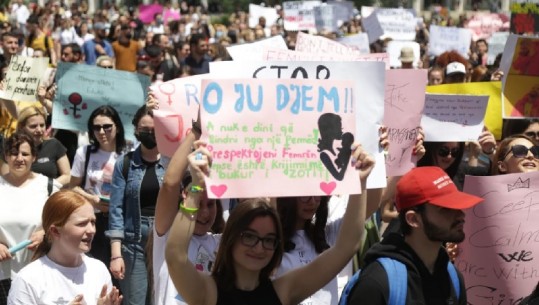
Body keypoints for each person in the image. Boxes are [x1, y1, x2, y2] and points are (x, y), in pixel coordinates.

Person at [165, 138, 374, 305]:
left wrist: (360, 182)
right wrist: (195, 187)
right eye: (250, 237)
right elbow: (175, 256)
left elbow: (346, 247)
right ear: (230, 239)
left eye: (269, 240)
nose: (259, 247)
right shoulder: (208, 292)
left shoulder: (284, 291)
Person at [345, 166, 483, 305]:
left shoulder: (452, 276)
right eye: (446, 209)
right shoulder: (377, 282)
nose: (460, 215)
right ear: (413, 219)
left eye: (458, 206)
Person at [7, 190, 122, 305]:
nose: (91, 230)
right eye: (81, 224)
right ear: (55, 231)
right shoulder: (28, 279)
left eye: (92, 222)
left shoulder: (98, 269)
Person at [106, 105, 165, 305]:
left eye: (154, 130)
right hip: (133, 243)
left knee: (163, 299)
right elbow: (116, 210)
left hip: (165, 240)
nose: (149, 134)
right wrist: (116, 255)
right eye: (144, 130)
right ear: (136, 130)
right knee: (135, 301)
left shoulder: (173, 162)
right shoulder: (125, 164)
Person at [0, 132, 60, 303]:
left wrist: (45, 234)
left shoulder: (49, 187)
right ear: (6, 156)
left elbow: (63, 222)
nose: (19, 158)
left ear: (34, 157)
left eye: (25, 154)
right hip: (2, 274)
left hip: (39, 271)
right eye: (13, 153)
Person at [69, 106, 126, 275]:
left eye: (107, 126)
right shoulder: (84, 153)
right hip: (92, 219)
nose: (102, 132)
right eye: (96, 127)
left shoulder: (127, 154)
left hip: (119, 220)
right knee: (93, 268)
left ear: (117, 126)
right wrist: (92, 199)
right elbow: (73, 187)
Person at [274, 196, 342, 305]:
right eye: (305, 196)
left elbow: (369, 205)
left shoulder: (327, 235)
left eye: (317, 195)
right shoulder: (270, 243)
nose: (312, 202)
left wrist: (361, 182)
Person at [12, 106, 70, 185]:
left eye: (42, 125)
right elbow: (6, 178)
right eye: (33, 126)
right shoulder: (11, 148)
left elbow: (67, 176)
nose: (39, 130)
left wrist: (48, 186)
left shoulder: (54, 144)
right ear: (21, 127)